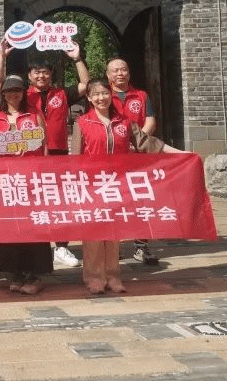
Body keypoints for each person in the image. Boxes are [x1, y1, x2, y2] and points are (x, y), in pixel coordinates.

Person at [76, 79, 184, 294]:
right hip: (92, 186)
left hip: (117, 184)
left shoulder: (124, 122)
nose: (101, 98)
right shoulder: (82, 123)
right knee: (93, 233)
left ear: (111, 95)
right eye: (95, 94)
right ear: (89, 98)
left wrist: (181, 154)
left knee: (114, 232)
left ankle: (113, 276)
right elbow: (75, 158)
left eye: (104, 93)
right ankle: (94, 277)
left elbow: (147, 142)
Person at [0, 40, 90, 268]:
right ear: (29, 76)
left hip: (58, 153)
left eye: (45, 72)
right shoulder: (22, 94)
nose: (41, 76)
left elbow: (86, 85)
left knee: (59, 201)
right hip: (30, 157)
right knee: (32, 202)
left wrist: (77, 58)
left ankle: (61, 246)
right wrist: (2, 57)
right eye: (36, 72)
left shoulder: (61, 93)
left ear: (51, 74)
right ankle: (31, 244)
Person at [0, 75, 52, 295]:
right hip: (5, 181)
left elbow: (44, 145)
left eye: (17, 90)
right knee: (9, 226)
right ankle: (14, 272)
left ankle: (34, 273)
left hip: (31, 180)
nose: (13, 94)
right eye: (8, 91)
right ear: (3, 94)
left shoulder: (33, 115)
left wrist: (42, 174)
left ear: (24, 92)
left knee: (33, 225)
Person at [105, 57, 161, 265]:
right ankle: (114, 246)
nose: (120, 73)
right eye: (115, 70)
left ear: (129, 73)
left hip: (138, 157)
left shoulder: (141, 95)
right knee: (113, 199)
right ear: (108, 75)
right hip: (113, 158)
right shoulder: (104, 95)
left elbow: (150, 121)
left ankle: (141, 246)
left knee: (140, 200)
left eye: (124, 69)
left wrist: (137, 142)